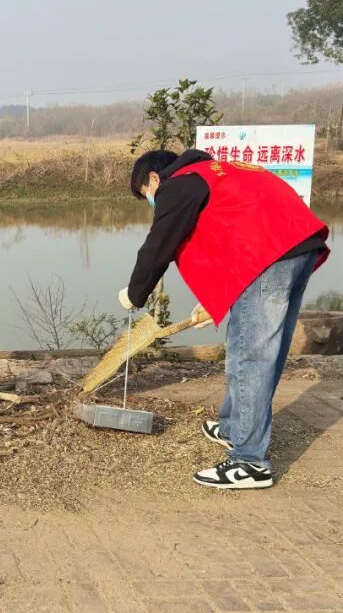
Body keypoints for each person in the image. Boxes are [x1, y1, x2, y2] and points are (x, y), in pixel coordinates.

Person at [119, 148, 329, 489]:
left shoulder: (179, 184)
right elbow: (232, 233)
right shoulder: (217, 172)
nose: (154, 203)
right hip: (297, 247)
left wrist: (134, 293)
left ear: (155, 178)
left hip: (268, 257)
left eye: (148, 195)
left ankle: (250, 461)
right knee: (259, 349)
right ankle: (233, 426)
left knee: (251, 357)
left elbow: (159, 245)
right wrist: (212, 299)